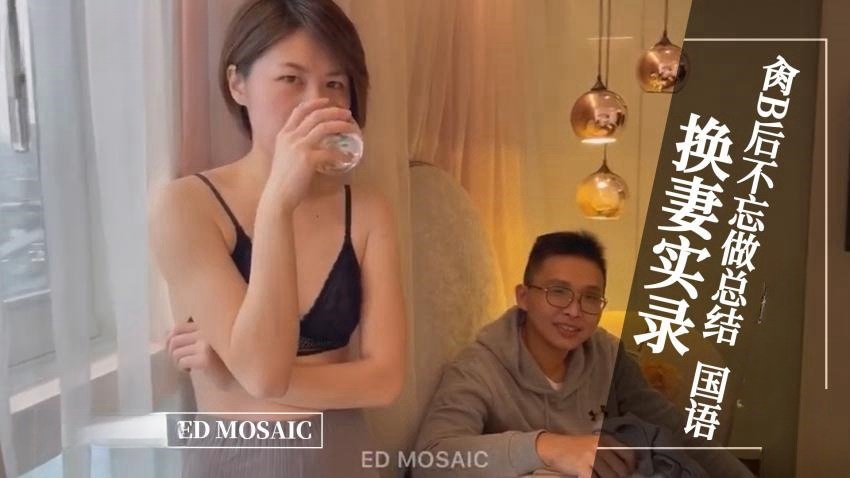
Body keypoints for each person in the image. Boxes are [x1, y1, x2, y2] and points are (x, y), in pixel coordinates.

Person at [149, 0, 406, 476]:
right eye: (291, 79)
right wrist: (278, 203)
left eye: (335, 84)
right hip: (237, 457)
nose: (316, 103)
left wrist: (233, 373)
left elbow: (385, 381)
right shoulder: (186, 206)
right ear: (237, 84)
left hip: (342, 452)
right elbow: (264, 371)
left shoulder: (367, 210)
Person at [413, 231, 753, 478]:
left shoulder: (607, 355)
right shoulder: (479, 368)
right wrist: (546, 447)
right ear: (523, 297)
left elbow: (676, 430)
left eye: (590, 298)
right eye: (558, 292)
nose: (574, 311)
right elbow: (431, 459)